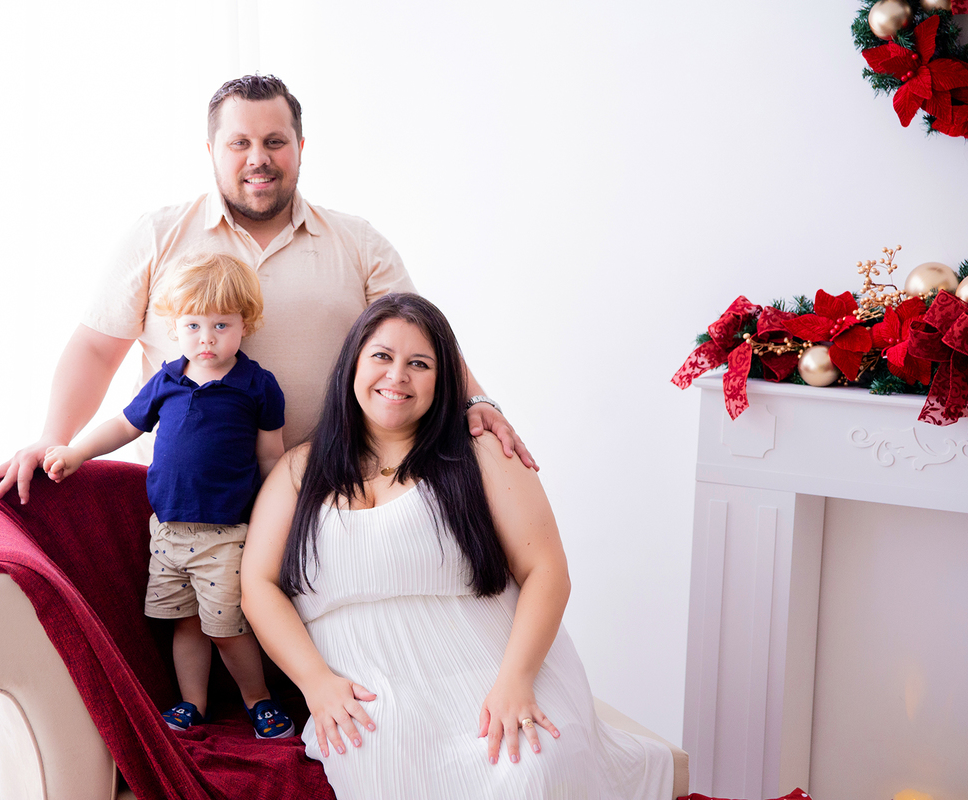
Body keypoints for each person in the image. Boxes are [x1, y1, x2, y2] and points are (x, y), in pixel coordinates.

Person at [0, 74, 533, 505]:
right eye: (239, 142)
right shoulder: (157, 234)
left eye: (275, 141)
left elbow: (424, 344)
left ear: (299, 146)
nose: (258, 158)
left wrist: (478, 401)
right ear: (211, 150)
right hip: (185, 501)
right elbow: (96, 350)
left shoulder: (358, 241)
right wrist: (54, 440)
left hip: (326, 496)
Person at [240, 294, 675, 799]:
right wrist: (315, 682)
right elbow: (258, 585)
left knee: (529, 771)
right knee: (383, 765)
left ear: (443, 382)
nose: (397, 376)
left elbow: (547, 570)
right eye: (382, 356)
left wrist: (516, 681)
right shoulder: (299, 470)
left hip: (499, 670)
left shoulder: (482, 453)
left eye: (419, 364)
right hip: (372, 690)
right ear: (352, 364)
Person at [41, 252, 294, 738]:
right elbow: (122, 424)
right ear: (175, 327)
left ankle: (259, 700)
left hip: (225, 534)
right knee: (185, 624)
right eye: (194, 325)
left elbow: (270, 459)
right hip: (168, 533)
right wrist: (74, 452)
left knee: (227, 628)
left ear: (247, 324)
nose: (207, 338)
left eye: (222, 325)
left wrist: (273, 520)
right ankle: (192, 703)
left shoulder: (258, 386)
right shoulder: (166, 381)